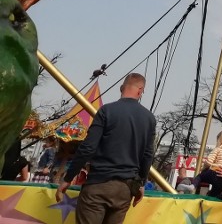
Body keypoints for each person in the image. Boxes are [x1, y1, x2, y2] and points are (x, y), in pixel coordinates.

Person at [55, 72, 156, 224]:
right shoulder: (149, 118)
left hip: (99, 183)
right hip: (125, 189)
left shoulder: (106, 111)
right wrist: (140, 183)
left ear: (122, 88)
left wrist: (68, 178)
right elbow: (148, 155)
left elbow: (88, 147)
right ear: (140, 90)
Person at [194, 128, 222, 198]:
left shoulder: (219, 148)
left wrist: (204, 169)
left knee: (199, 177)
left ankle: (192, 186)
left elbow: (209, 162)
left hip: (214, 172)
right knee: (213, 195)